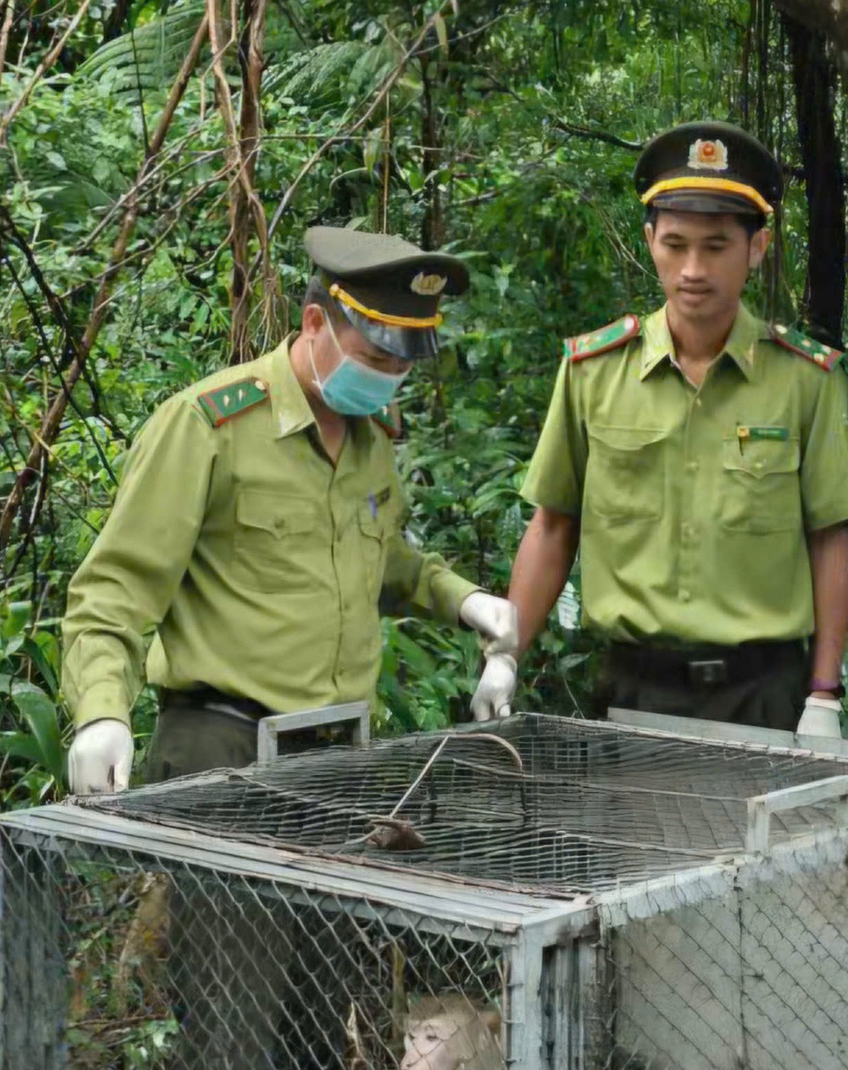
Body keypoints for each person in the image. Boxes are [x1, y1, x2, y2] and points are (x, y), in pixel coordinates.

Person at [60, 226, 517, 792]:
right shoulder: (209, 427)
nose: (389, 378)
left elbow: (377, 560)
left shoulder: (369, 435)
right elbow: (114, 590)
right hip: (223, 750)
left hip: (341, 756)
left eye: (403, 365)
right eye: (375, 357)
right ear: (314, 324)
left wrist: (465, 601)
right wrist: (103, 713)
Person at [470, 122, 848, 735]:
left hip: (763, 692)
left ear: (755, 249)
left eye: (715, 246)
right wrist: (505, 656)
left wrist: (824, 695)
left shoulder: (804, 382)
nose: (692, 269)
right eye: (675, 244)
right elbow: (553, 526)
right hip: (633, 690)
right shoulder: (593, 373)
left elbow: (827, 540)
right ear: (650, 239)